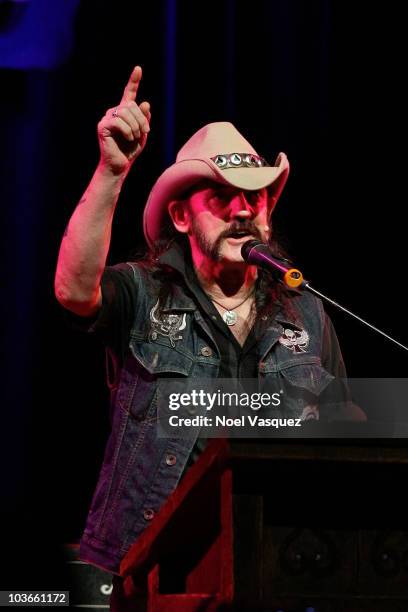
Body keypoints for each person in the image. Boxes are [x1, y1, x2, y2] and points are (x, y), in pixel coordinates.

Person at [54, 66, 358, 591]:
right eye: (221, 196)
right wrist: (110, 172)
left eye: (255, 197)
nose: (242, 208)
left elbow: (345, 439)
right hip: (147, 571)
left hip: (268, 570)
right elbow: (74, 291)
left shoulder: (306, 315)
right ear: (179, 216)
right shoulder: (142, 293)